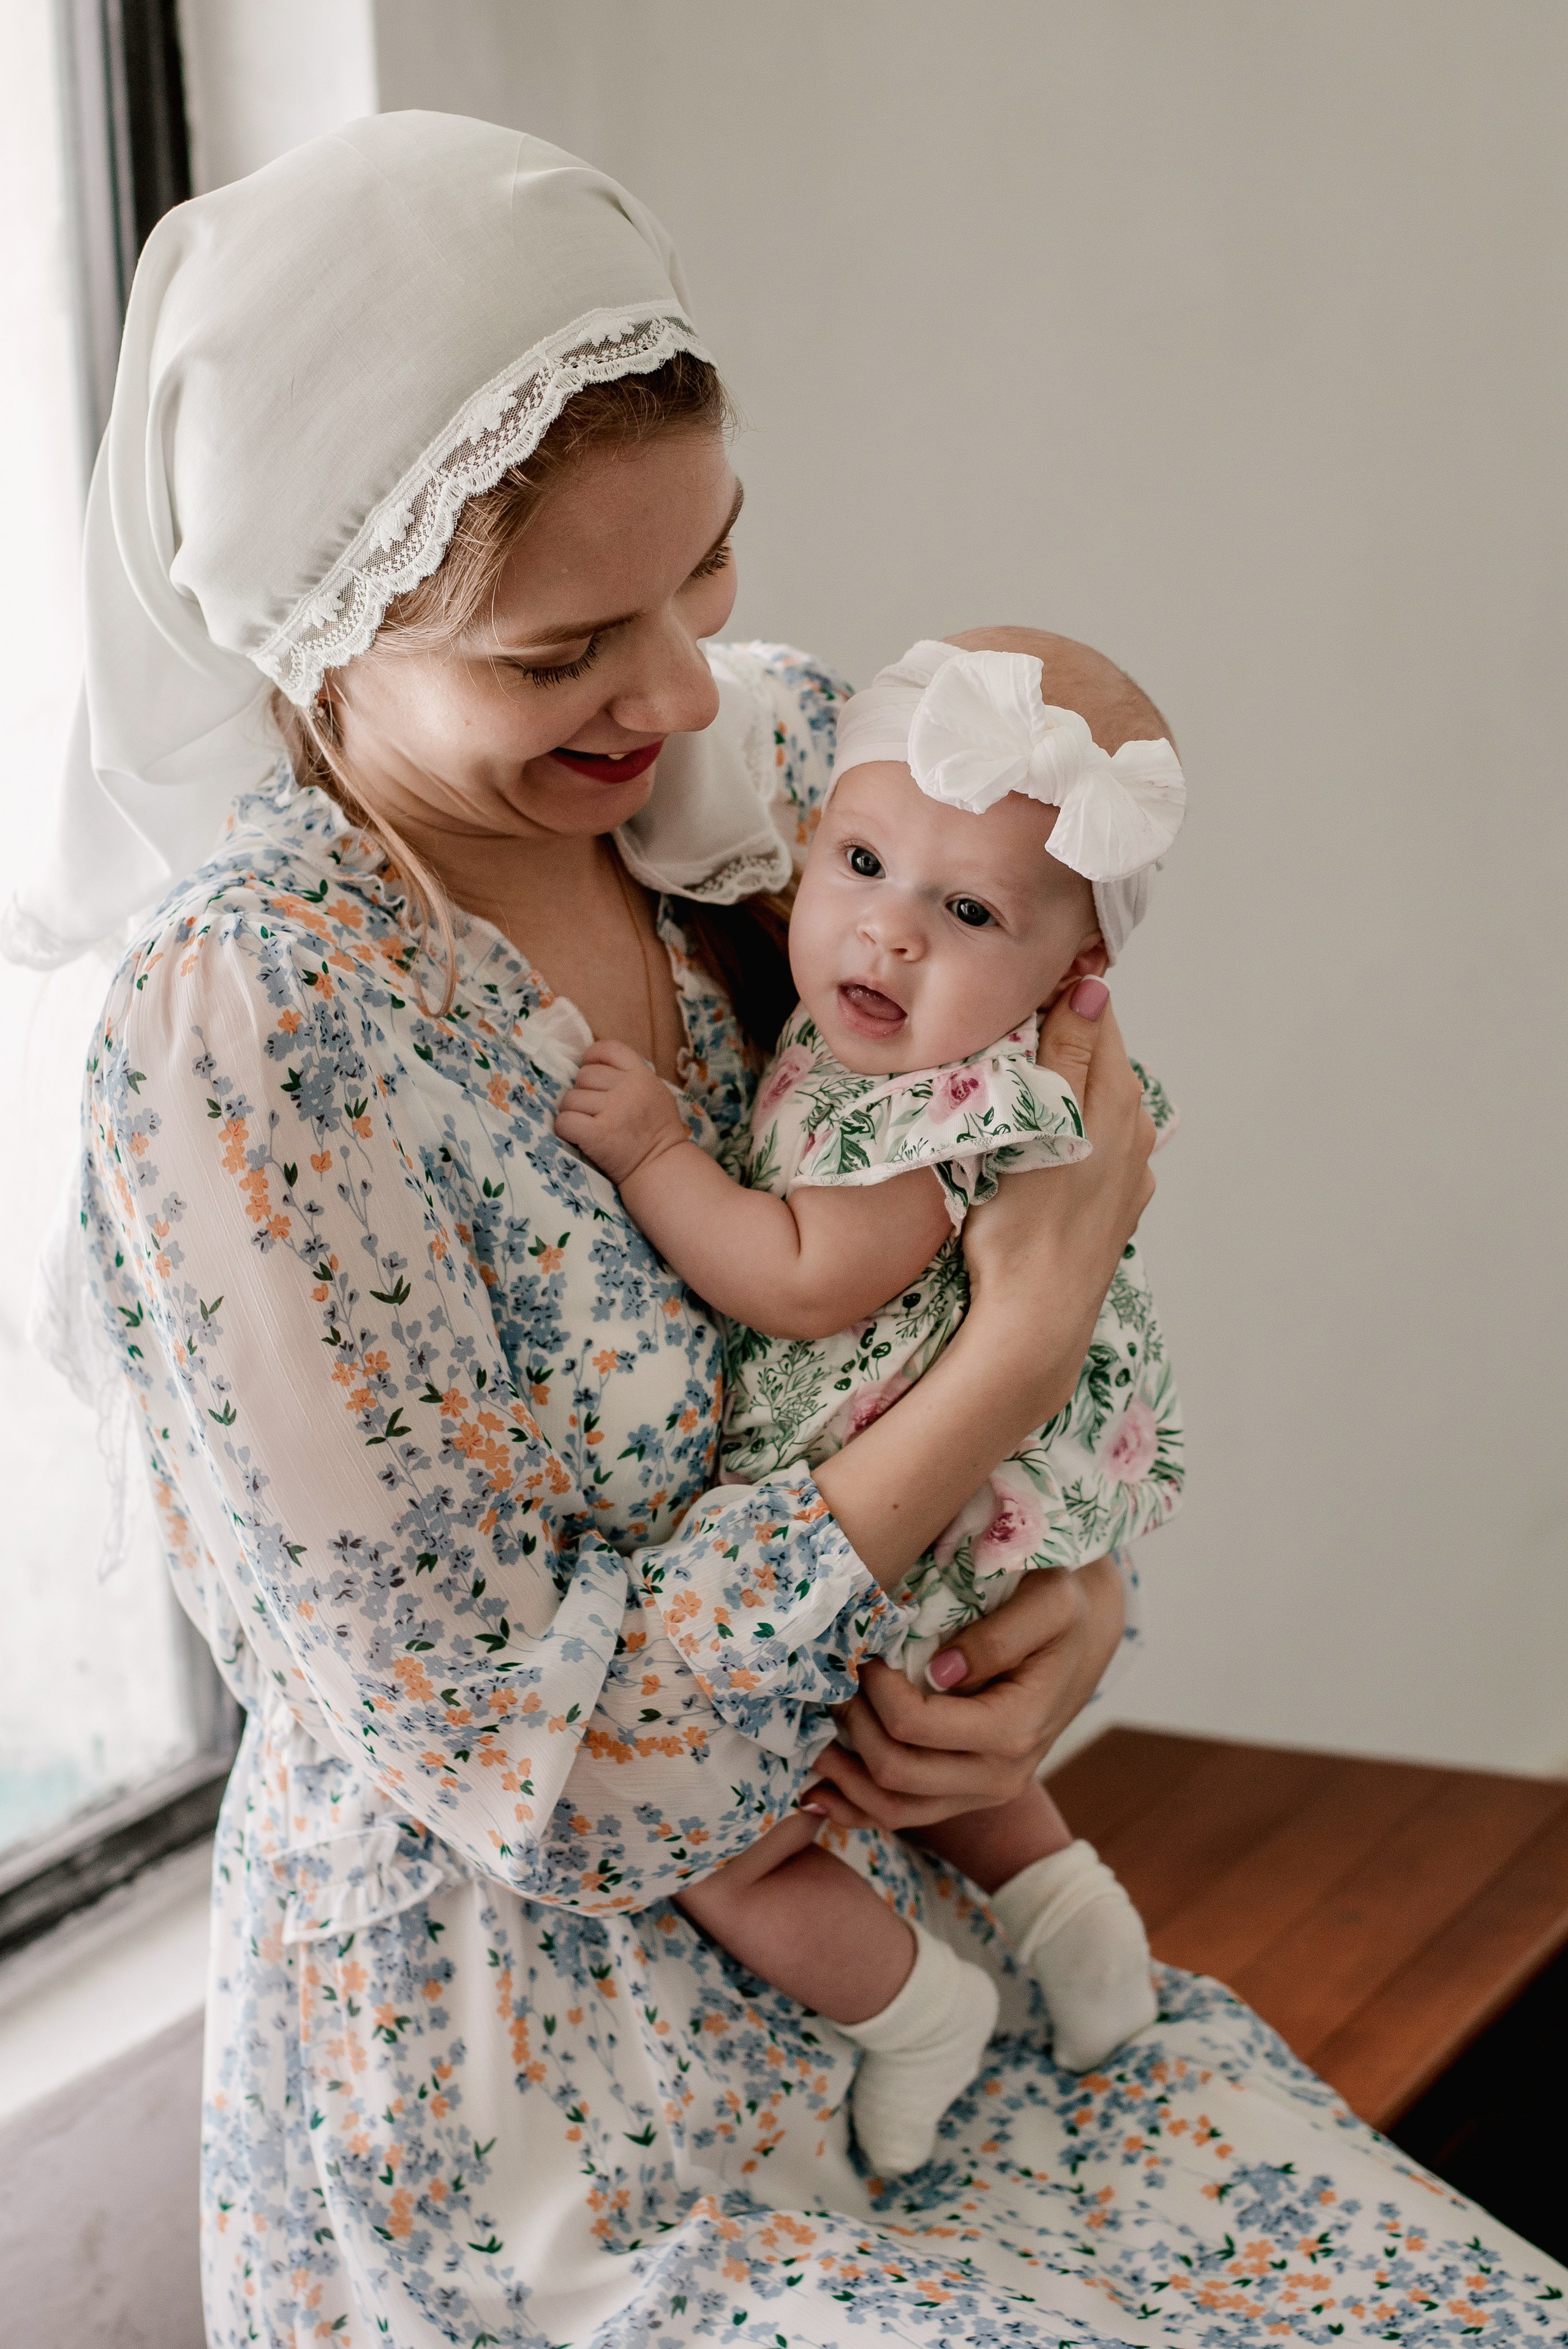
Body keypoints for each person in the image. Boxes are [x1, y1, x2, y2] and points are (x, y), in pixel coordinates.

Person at [16, 110, 1562, 2349]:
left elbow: (1060, 1209)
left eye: (705, 572)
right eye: (560, 652)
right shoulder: (256, 1037)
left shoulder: (795, 798)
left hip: (921, 1930)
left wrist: (1067, 1584)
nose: (666, 690)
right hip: (549, 2114)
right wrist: (998, 1381)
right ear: (319, 619)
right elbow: (548, 1770)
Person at [556, 630, 1188, 2171]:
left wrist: (655, 1156)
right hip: (930, 1517)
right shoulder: (886, 1047)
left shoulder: (927, 1117)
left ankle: (915, 2011)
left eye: (966, 911)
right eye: (858, 860)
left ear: (1068, 983)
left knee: (728, 1843)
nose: (885, 934)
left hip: (877, 1518)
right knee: (934, 1765)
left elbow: (797, 1278)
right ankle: (1075, 1924)